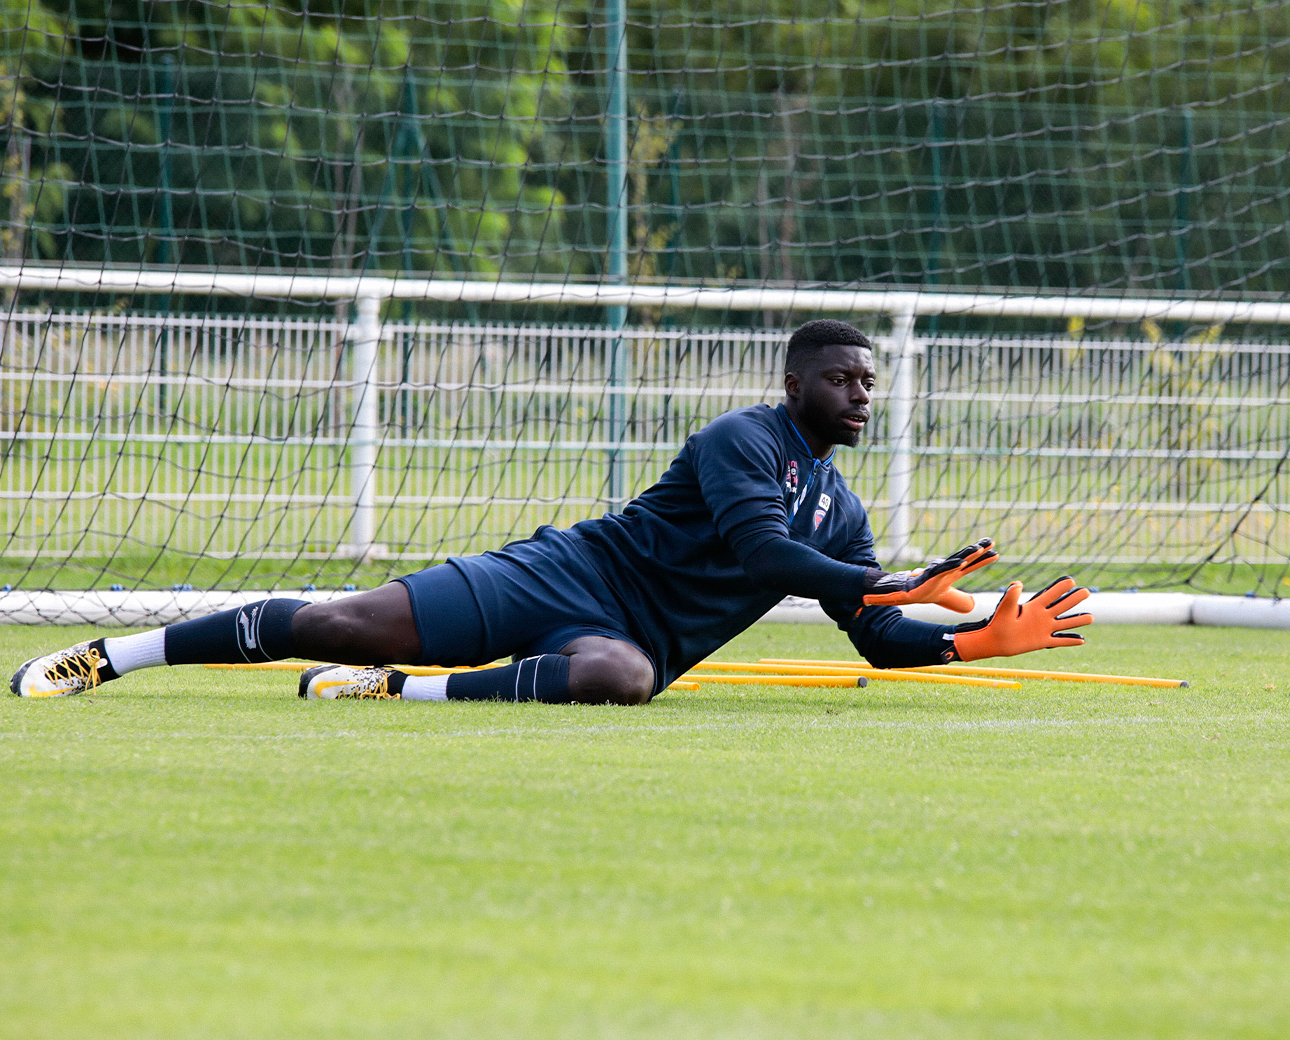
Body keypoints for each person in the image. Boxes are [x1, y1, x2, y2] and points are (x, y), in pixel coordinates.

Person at [12, 320, 1092, 705]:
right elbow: (762, 546)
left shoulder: (845, 518)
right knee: (341, 621)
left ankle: (401, 694)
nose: (865, 395)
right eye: (848, 380)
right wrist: (886, 582)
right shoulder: (741, 439)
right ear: (798, 384)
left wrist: (965, 645)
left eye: (871, 383)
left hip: (624, 639)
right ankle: (121, 656)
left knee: (623, 682)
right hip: (569, 574)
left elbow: (878, 637)